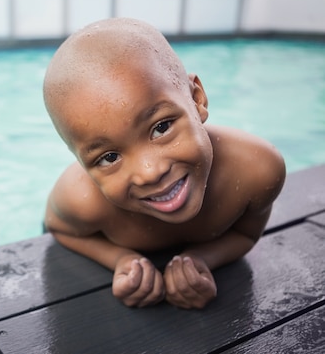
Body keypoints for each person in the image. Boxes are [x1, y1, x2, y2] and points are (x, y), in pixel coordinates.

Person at [43, 17, 286, 309]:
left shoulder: (256, 171)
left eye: (161, 127)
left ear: (197, 98)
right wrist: (120, 259)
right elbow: (57, 228)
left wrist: (201, 259)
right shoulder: (81, 199)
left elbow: (246, 233)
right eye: (109, 157)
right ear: (82, 164)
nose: (150, 172)